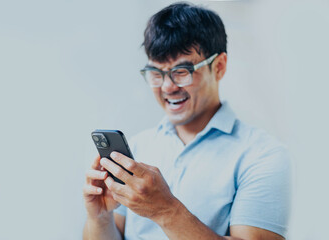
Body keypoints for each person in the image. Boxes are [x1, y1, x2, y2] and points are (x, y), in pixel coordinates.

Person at [82, 2, 291, 240]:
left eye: (181, 71)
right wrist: (99, 217)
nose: (168, 87)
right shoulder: (139, 147)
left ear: (219, 66)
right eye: (156, 73)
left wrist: (166, 210)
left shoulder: (264, 156)